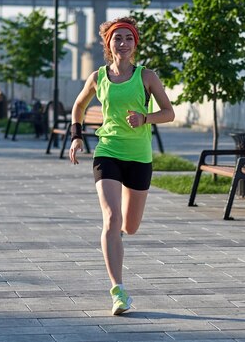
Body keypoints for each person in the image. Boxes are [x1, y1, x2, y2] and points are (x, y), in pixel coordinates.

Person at [68, 16, 175, 315]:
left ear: (135, 44)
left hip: (139, 156)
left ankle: (119, 238)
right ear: (108, 44)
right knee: (111, 218)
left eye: (129, 39)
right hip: (108, 151)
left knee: (130, 226)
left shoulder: (146, 76)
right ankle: (118, 291)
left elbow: (169, 113)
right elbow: (78, 106)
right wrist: (77, 137)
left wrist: (145, 118)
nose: (123, 44)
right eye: (118, 39)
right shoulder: (98, 77)